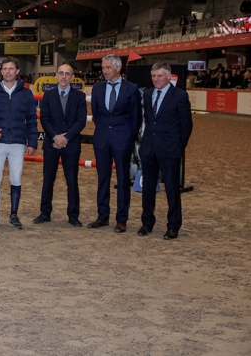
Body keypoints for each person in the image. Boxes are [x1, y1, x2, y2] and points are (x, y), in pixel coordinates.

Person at [87, 54, 142, 234]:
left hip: (122, 140)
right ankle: (103, 216)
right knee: (102, 179)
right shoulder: (97, 88)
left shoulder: (132, 89)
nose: (104, 71)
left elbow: (136, 118)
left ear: (118, 68)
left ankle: (121, 219)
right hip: (102, 139)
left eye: (108, 68)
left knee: (123, 179)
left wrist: (128, 137)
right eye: (103, 68)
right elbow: (96, 114)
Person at [139, 62, 193, 240]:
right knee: (147, 187)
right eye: (153, 76)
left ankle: (174, 225)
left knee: (171, 189)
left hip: (170, 150)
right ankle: (147, 222)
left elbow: (186, 126)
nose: (156, 79)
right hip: (148, 149)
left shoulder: (180, 96)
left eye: (160, 76)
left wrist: (177, 147)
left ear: (169, 76)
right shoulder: (147, 94)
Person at [0, 56, 38, 230]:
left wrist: (32, 142)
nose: (8, 72)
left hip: (18, 142)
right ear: (1, 71)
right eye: (5, 69)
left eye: (11, 69)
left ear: (17, 71)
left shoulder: (26, 93)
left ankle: (14, 215)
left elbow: (31, 119)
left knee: (16, 178)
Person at [34, 62, 87, 227]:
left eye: (67, 74)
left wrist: (66, 138)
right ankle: (45, 213)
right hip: (52, 144)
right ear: (56, 75)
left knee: (72, 181)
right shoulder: (48, 95)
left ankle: (73, 215)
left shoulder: (79, 97)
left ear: (72, 77)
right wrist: (55, 137)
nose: (64, 76)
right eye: (61, 73)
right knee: (48, 180)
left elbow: (81, 121)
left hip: (70, 145)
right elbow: (44, 119)